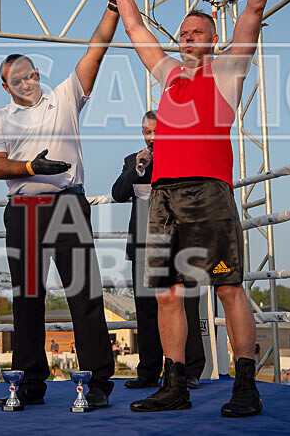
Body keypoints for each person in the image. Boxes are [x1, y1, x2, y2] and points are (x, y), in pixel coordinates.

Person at [106, 0, 277, 417]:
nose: (186, 38)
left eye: (196, 32)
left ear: (212, 38)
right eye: (182, 33)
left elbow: (252, 10)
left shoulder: (227, 70)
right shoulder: (168, 75)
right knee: (166, 293)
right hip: (163, 196)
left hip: (208, 190)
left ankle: (245, 384)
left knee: (227, 287)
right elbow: (135, 29)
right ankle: (175, 383)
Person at [0, 0, 121, 410]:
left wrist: (114, 5)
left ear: (38, 74)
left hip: (66, 203)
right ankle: (28, 384)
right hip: (23, 208)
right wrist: (31, 167)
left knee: (84, 293)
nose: (26, 81)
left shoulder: (64, 97)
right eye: (17, 78)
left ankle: (97, 382)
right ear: (6, 85)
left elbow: (96, 51)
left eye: (30, 74)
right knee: (27, 298)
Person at [112, 110, 206, 391]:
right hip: (143, 243)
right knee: (145, 308)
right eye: (146, 131)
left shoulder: (182, 156)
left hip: (179, 240)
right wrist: (139, 169)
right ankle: (149, 371)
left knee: (186, 305)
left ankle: (189, 370)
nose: (151, 136)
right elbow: (118, 193)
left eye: (155, 131)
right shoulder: (134, 160)